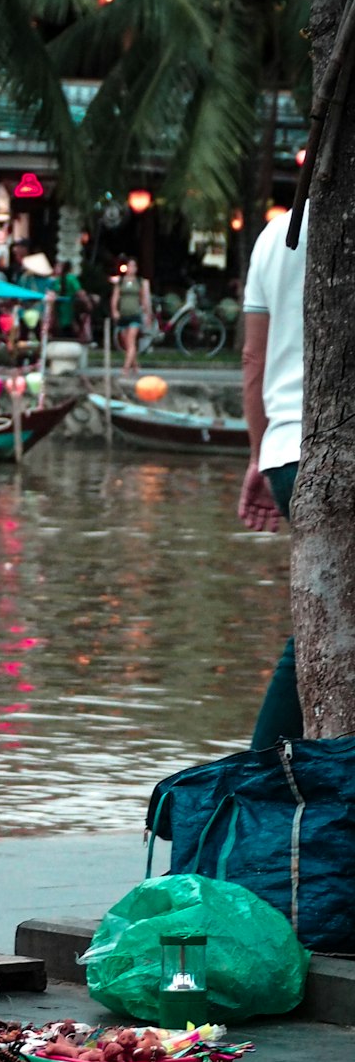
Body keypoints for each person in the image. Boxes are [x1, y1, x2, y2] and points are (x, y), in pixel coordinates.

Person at [241, 207, 307, 748]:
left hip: (286, 453)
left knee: (319, 616)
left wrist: (259, 454)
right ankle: (260, 777)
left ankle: (263, 777)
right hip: (327, 448)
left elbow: (253, 360)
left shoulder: (275, 233)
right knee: (318, 622)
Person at [109, 256, 152, 374]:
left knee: (131, 340)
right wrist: (114, 310)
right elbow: (115, 297)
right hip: (123, 314)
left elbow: (144, 298)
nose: (131, 268)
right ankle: (135, 365)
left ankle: (126, 368)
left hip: (135, 313)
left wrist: (147, 313)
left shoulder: (139, 282)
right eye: (129, 266)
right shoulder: (121, 281)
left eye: (133, 266)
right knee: (126, 342)